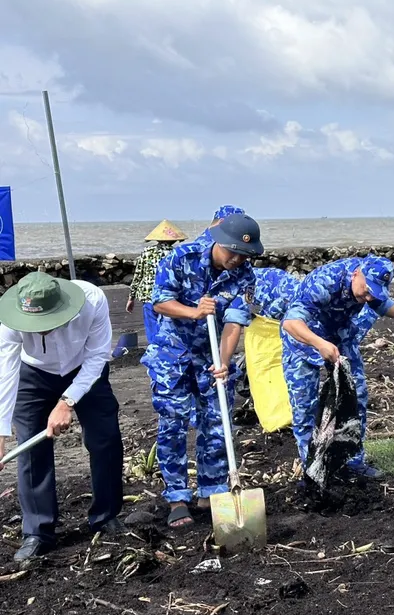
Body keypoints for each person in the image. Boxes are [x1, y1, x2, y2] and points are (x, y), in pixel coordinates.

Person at [143, 213, 263, 528]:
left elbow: (235, 321)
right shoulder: (182, 258)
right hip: (173, 355)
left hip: (211, 356)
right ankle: (177, 498)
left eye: (244, 254)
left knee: (217, 424)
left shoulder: (245, 276)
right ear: (218, 240)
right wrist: (194, 312)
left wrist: (223, 361)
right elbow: (160, 302)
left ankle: (211, 492)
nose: (237, 259)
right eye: (232, 251)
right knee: (174, 425)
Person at [0, 272, 124, 561]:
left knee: (105, 439)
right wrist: (1, 431)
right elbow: (5, 371)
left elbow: (98, 355)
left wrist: (67, 401)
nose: (40, 331)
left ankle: (105, 516)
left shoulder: (92, 300)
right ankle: (37, 532)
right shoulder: (8, 321)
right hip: (33, 373)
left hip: (85, 368)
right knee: (31, 449)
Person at [281, 256, 394, 478]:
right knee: (305, 406)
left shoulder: (368, 286)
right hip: (303, 338)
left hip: (341, 335)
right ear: (356, 274)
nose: (368, 297)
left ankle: (352, 462)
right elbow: (290, 322)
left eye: (374, 293)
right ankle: (312, 470)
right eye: (367, 291)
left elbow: (381, 304)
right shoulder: (325, 281)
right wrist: (320, 344)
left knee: (356, 395)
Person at [127, 220, 187, 344]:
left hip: (148, 296)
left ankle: (154, 349)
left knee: (152, 328)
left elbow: (138, 276)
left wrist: (131, 298)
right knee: (169, 329)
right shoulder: (177, 254)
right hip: (169, 297)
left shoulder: (147, 252)